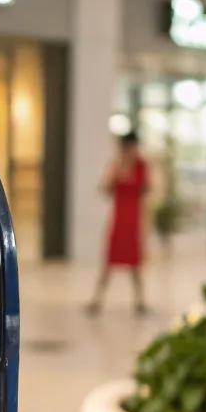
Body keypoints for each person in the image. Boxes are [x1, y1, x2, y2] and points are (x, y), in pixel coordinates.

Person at [87, 131, 150, 315]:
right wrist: (113, 173)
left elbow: (146, 189)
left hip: (133, 219)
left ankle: (139, 301)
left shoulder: (141, 166)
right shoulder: (116, 165)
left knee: (135, 264)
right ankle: (97, 300)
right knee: (109, 261)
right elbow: (105, 189)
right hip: (119, 219)